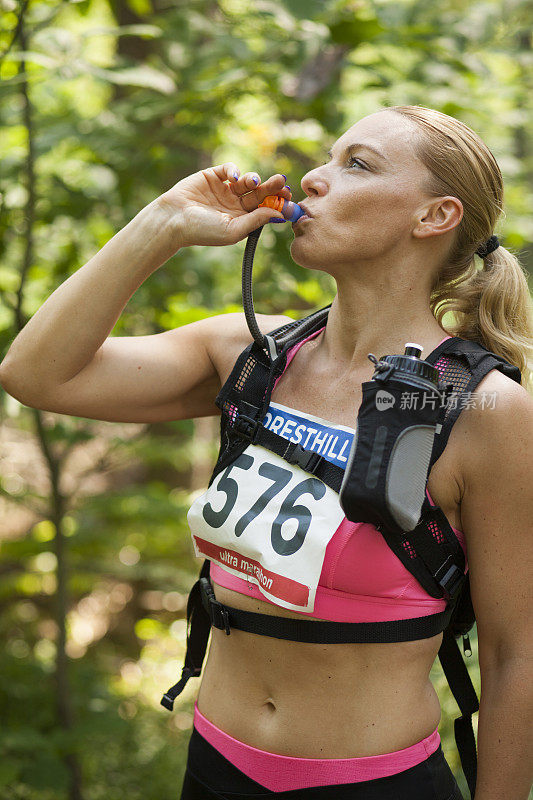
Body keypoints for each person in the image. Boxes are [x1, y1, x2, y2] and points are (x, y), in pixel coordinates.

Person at [0, 105, 532, 800]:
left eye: (356, 164)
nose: (314, 178)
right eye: (327, 158)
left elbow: (514, 653)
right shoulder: (253, 356)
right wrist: (162, 224)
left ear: (433, 216)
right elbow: (37, 375)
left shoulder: (483, 410)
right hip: (214, 771)